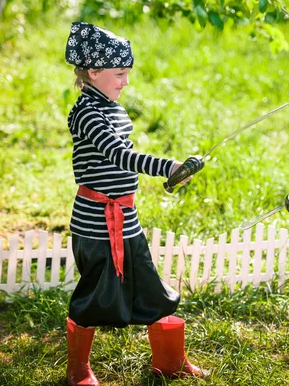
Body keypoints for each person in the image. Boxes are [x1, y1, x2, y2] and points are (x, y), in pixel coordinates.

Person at [64, 22, 208, 386]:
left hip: (126, 218)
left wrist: (174, 172)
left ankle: (171, 362)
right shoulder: (86, 112)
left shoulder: (116, 110)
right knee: (95, 294)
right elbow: (118, 155)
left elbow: (123, 154)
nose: (126, 82)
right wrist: (167, 167)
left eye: (128, 73)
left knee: (151, 287)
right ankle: (78, 369)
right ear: (93, 72)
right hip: (95, 223)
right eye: (120, 74)